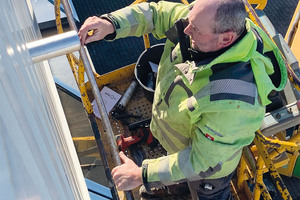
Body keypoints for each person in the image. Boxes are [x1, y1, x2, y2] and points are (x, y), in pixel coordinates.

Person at [78, 0, 287, 199]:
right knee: (177, 177)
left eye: (195, 29)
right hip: (176, 141)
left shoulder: (234, 103)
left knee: (206, 192)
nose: (185, 30)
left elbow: (201, 162)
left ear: (226, 39)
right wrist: (112, 24)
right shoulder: (202, 25)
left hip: (208, 171)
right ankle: (175, 188)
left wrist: (142, 175)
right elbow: (158, 14)